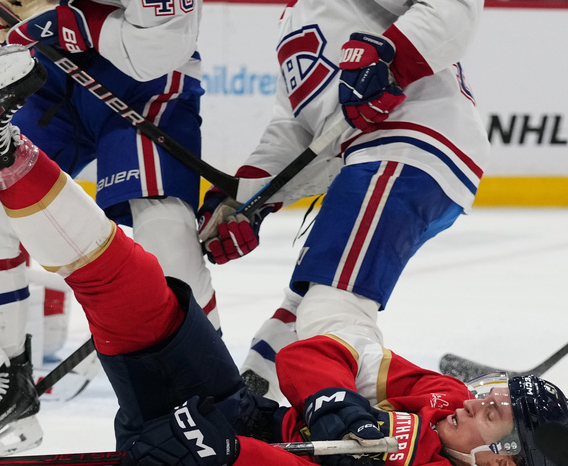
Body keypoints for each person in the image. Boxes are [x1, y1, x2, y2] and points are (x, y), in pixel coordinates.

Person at [0, 46, 568, 466]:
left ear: (503, 462)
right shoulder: (433, 395)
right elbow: (322, 349)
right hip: (232, 414)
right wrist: (325, 398)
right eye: (492, 389)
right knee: (146, 293)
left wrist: (229, 457)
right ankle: (0, 150)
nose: (474, 396)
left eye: (494, 410)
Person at [0, 0, 220, 455]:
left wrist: (82, 22)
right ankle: (7, 378)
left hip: (143, 87)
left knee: (164, 230)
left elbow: (159, 50)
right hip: (52, 79)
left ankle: (214, 393)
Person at [197, 0, 490, 402]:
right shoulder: (293, 20)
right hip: (371, 159)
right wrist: (246, 197)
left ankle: (424, 420)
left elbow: (453, 7)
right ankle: (255, 422)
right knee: (295, 319)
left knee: (332, 311)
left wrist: (391, 59)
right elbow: (297, 131)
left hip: (409, 144)